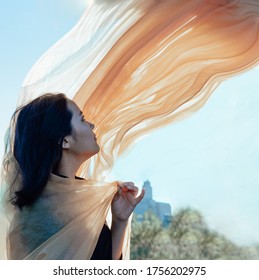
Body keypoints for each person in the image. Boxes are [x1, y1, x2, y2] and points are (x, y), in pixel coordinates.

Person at [1, 93, 145, 260]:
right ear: (65, 141)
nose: (91, 125)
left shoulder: (81, 197)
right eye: (82, 119)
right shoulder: (37, 216)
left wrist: (120, 220)